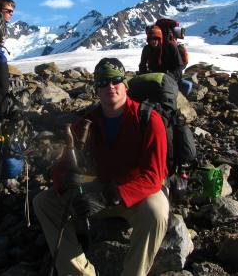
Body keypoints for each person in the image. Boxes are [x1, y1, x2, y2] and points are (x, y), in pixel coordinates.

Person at [33, 58, 169, 276]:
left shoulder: (148, 119)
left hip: (135, 193)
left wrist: (108, 197)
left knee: (157, 210)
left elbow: (153, 176)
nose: (110, 87)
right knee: (44, 202)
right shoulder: (86, 124)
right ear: (96, 88)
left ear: (125, 84)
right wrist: (65, 183)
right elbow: (63, 166)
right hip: (97, 187)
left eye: (115, 80)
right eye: (103, 82)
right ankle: (80, 273)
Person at [138, 25, 192, 96]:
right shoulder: (146, 49)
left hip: (170, 77)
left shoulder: (171, 47)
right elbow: (142, 66)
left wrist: (168, 77)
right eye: (151, 39)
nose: (153, 41)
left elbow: (179, 66)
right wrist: (144, 77)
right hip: (154, 77)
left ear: (159, 38)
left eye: (155, 38)